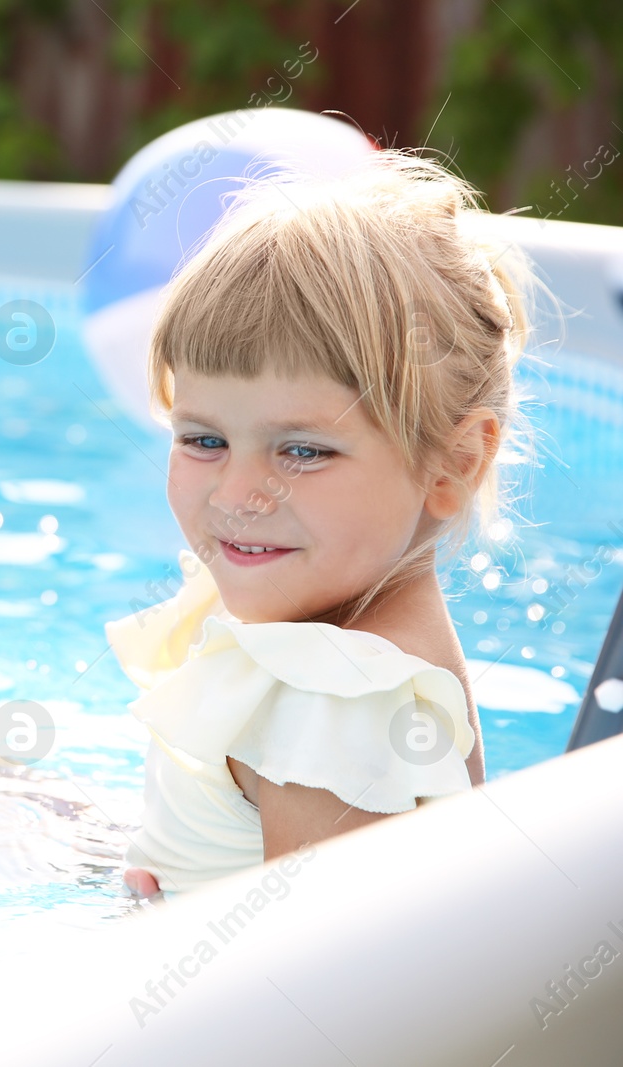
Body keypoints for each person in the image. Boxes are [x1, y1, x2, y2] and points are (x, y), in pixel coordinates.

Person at [104, 151, 530, 898]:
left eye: (302, 450)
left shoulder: (338, 700)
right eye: (204, 439)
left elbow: (318, 1004)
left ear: (454, 464)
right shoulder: (346, 653)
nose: (238, 493)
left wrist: (150, 939)